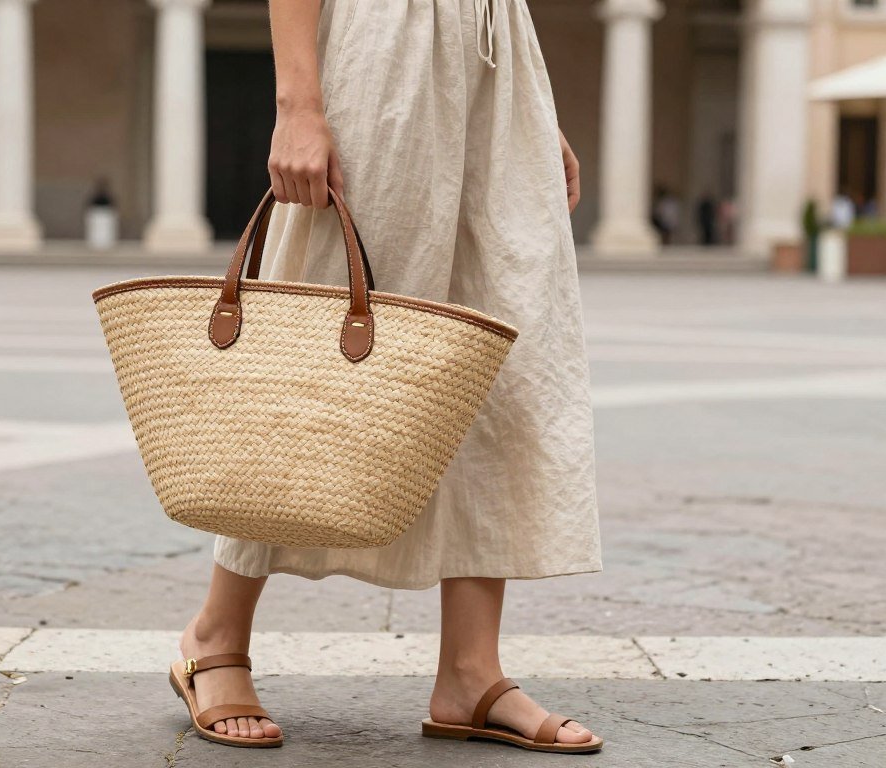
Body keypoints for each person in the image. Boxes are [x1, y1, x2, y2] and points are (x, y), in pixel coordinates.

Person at [172, 0, 602, 754]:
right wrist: (299, 104)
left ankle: (471, 671)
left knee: (495, 359)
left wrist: (529, 109)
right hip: (382, 56)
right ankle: (215, 634)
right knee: (317, 366)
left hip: (495, 62)